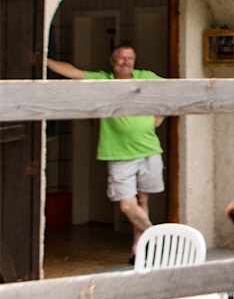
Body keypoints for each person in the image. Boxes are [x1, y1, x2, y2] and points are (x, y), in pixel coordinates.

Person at [47, 43, 165, 263]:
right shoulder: (104, 80)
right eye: (121, 58)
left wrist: (161, 115)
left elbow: (175, 92)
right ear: (113, 61)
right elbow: (73, 72)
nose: (125, 62)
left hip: (149, 150)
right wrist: (44, 59)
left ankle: (138, 251)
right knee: (127, 205)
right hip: (119, 154)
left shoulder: (145, 76)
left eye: (130, 58)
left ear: (135, 61)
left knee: (143, 202)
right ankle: (156, 236)